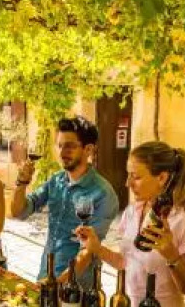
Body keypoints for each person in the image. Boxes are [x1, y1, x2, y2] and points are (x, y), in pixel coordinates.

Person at [74, 141, 185, 307]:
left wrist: (172, 256)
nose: (127, 183)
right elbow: (126, 263)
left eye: (136, 176)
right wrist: (97, 248)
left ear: (162, 178)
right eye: (128, 175)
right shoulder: (133, 211)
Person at [11, 115, 119, 289]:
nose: (62, 153)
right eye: (60, 145)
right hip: (46, 275)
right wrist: (21, 183)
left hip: (78, 288)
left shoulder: (103, 193)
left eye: (69, 146)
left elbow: (89, 251)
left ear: (88, 149)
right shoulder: (56, 181)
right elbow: (19, 212)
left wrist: (57, 284)